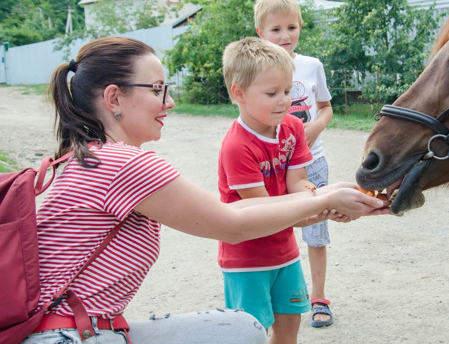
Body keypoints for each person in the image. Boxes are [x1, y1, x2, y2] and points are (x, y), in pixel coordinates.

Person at [22, 36, 386, 344]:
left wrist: (326, 197)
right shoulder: (124, 165)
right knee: (241, 331)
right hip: (68, 335)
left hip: (77, 328)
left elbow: (230, 211)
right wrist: (323, 199)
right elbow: (232, 224)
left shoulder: (88, 158)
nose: (170, 102)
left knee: (236, 328)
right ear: (114, 99)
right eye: (158, 90)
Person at [254, 0, 335, 328]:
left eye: (291, 27)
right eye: (276, 29)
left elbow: (327, 107)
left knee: (315, 232)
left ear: (300, 27)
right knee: (273, 231)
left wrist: (312, 129)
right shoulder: (254, 70)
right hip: (272, 168)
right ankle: (281, 298)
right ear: (261, 32)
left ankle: (319, 297)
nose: (284, 36)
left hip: (312, 163)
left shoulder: (312, 66)